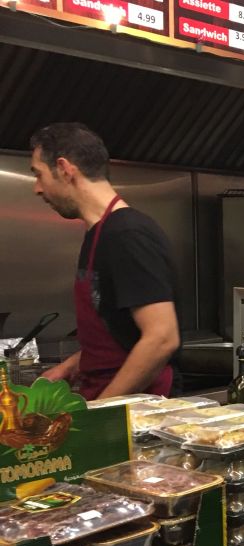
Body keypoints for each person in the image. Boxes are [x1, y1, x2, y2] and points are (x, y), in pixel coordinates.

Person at [31, 123, 180, 400]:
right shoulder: (100, 232)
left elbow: (162, 338)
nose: (37, 189)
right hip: (111, 400)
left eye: (39, 175)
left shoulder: (127, 234)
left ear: (64, 168)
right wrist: (68, 367)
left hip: (139, 414)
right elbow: (120, 334)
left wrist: (100, 410)